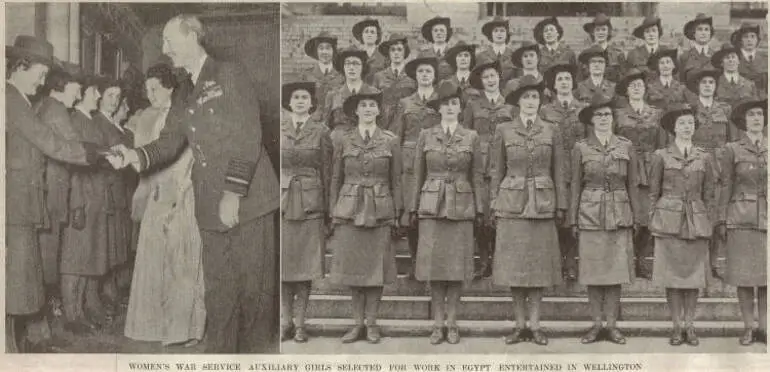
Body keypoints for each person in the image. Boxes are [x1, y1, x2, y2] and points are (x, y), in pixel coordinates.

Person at [107, 14, 279, 353]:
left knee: (253, 293)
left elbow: (248, 136)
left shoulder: (230, 73)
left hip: (248, 200)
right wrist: (134, 157)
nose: (166, 49)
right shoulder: (184, 89)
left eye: (170, 41)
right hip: (209, 204)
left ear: (192, 36)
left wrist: (233, 192)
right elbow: (170, 140)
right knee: (219, 293)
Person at [6, 36, 102, 352]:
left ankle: (25, 343)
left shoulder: (19, 100)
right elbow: (49, 141)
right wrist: (95, 154)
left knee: (24, 281)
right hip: (16, 205)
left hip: (24, 204)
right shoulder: (10, 99)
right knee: (16, 283)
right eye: (40, 73)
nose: (43, 81)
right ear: (21, 65)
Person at [123, 63, 205, 346]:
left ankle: (186, 330)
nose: (150, 94)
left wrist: (180, 193)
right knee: (153, 261)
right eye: (146, 90)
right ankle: (154, 327)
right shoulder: (147, 117)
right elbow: (145, 161)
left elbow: (189, 159)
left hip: (182, 195)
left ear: (170, 87)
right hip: (157, 195)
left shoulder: (185, 115)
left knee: (180, 264)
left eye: (155, 88)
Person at [491, 75, 566, 346]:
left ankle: (535, 325)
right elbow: (496, 169)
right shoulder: (504, 130)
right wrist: (493, 203)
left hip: (543, 205)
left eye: (535, 97)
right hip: (511, 205)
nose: (531, 102)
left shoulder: (551, 130)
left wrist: (561, 204)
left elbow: (559, 169)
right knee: (515, 269)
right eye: (526, 98)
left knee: (538, 269)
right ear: (518, 102)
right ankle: (519, 324)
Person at [410, 82, 484, 345]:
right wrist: (412, 206)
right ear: (438, 108)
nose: (450, 108)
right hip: (432, 206)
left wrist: (480, 208)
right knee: (435, 268)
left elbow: (476, 174)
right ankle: (437, 324)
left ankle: (452, 322)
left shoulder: (471, 137)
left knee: (456, 269)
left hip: (462, 207)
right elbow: (418, 173)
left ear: (460, 108)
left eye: (454, 103)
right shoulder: (426, 135)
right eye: (445, 104)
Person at [328, 92, 402, 344]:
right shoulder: (343, 139)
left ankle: (372, 324)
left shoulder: (391, 140)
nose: (369, 109)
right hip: (349, 210)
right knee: (353, 270)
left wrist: (397, 214)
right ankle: (356, 323)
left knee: (375, 271)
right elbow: (335, 178)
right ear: (356, 111)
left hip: (380, 210)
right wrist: (333, 211)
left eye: (373, 105)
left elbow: (396, 180)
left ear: (379, 111)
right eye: (363, 105)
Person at [570, 94, 640, 345]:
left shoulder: (625, 145)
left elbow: (632, 183)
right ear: (591, 120)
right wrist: (573, 219)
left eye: (607, 115)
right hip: (590, 213)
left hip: (619, 213)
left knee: (615, 272)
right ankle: (596, 324)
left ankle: (612, 326)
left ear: (613, 119)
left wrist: (635, 216)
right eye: (598, 115)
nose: (603, 119)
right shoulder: (581, 147)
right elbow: (575, 185)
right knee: (593, 272)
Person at [648, 103, 717, 346]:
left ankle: (691, 325)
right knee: (673, 278)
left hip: (696, 221)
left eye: (690, 123)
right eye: (682, 124)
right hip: (669, 222)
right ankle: (676, 326)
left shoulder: (704, 157)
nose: (687, 127)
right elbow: (653, 192)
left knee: (693, 277)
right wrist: (653, 219)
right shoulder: (660, 156)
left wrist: (708, 220)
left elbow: (709, 193)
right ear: (673, 129)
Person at [279, 82, 332, 343]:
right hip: (284, 203)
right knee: (285, 267)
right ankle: (284, 321)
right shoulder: (279, 129)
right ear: (289, 102)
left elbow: (327, 171)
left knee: (304, 268)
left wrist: (329, 211)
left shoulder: (321, 131)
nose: (300, 101)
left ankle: (301, 324)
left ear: (311, 103)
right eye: (295, 97)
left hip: (311, 204)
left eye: (305, 97)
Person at [33, 67, 83, 335]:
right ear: (61, 87)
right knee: (47, 264)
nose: (80, 95)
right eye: (76, 89)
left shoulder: (46, 106)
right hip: (53, 197)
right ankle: (43, 330)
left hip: (50, 195)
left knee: (45, 262)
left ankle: (44, 328)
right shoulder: (57, 110)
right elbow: (76, 147)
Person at [715, 98, 767, 346]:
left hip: (767, 218)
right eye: (752, 115)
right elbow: (726, 184)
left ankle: (765, 328)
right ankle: (748, 328)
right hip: (741, 217)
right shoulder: (732, 149)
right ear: (743, 122)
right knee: (744, 277)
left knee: (767, 278)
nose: (757, 118)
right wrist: (723, 218)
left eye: (760, 114)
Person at [62, 75, 110, 334]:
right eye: (94, 91)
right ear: (81, 95)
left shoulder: (90, 121)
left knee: (86, 258)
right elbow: (73, 168)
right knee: (74, 259)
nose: (98, 96)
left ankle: (79, 311)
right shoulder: (75, 121)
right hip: (82, 199)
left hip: (96, 199)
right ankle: (71, 316)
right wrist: (77, 203)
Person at [463, 55, 514, 279]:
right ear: (480, 81)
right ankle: (483, 261)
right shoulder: (473, 105)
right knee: (482, 215)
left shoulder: (510, 106)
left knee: (501, 214)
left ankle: (500, 261)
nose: (490, 80)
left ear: (499, 78)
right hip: (480, 166)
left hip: (505, 165)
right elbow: (465, 135)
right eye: (486, 77)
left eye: (493, 75)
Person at [613, 69, 667, 279]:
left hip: (649, 168)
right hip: (626, 167)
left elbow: (661, 144)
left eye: (640, 86)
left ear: (645, 90)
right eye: (632, 86)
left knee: (646, 215)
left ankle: (642, 259)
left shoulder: (656, 114)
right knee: (628, 212)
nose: (636, 88)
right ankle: (626, 259)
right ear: (626, 91)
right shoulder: (618, 114)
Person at [390, 57, 441, 278]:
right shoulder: (405, 103)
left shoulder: (442, 101)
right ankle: (414, 262)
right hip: (410, 164)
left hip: (435, 160)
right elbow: (396, 136)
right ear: (415, 76)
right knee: (413, 214)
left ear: (434, 75)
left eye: (428, 71)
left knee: (433, 211)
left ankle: (431, 263)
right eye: (421, 72)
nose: (425, 75)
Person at [539, 64, 586, 280]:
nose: (565, 82)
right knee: (557, 215)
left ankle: (571, 263)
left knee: (575, 216)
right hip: (554, 169)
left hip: (579, 169)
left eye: (568, 78)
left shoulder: (583, 109)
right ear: (554, 85)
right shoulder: (546, 111)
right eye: (560, 79)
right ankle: (555, 263)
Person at [94, 78, 131, 319]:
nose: (114, 101)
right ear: (99, 96)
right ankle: (104, 294)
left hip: (119, 190)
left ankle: (110, 293)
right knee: (104, 248)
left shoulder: (111, 124)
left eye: (117, 97)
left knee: (115, 246)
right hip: (105, 191)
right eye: (110, 95)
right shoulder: (97, 122)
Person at [324, 47, 379, 136]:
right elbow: (326, 126)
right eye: (347, 64)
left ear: (363, 67)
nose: (351, 67)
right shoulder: (333, 95)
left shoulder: (374, 93)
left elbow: (380, 124)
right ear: (343, 67)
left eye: (356, 64)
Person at [373, 33, 416, 129]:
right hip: (384, 124)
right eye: (392, 50)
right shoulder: (378, 76)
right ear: (388, 53)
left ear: (405, 52)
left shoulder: (413, 76)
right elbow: (373, 103)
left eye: (399, 49)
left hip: (407, 123)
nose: (396, 53)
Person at [300, 31, 344, 121]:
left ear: (333, 51)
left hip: (335, 123)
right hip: (312, 123)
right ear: (316, 51)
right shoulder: (307, 75)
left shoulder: (342, 75)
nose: (324, 52)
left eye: (328, 48)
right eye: (321, 48)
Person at [712, 43, 759, 108]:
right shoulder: (714, 84)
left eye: (733, 57)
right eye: (727, 58)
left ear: (738, 61)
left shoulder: (750, 84)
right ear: (721, 63)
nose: (731, 60)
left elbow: (755, 107)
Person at [582, 13, 624, 83]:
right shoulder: (585, 54)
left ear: (608, 32)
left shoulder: (618, 54)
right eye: (597, 30)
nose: (600, 32)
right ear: (593, 32)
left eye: (603, 29)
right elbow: (580, 79)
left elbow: (623, 79)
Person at [679, 13, 717, 83]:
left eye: (706, 29)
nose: (703, 33)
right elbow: (681, 83)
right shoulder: (684, 57)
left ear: (710, 33)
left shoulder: (716, 57)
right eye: (700, 29)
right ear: (694, 33)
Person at [477, 16, 515, 85]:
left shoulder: (514, 56)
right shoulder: (481, 56)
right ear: (491, 34)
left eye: (502, 31)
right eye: (496, 31)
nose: (499, 33)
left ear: (507, 34)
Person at [731, 23, 767, 96]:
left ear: (757, 40)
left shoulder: (765, 60)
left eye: (752, 37)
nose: (749, 40)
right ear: (740, 40)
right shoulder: (732, 59)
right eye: (745, 37)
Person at [418, 16, 454, 82]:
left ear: (447, 32)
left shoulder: (453, 54)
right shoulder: (423, 55)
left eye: (442, 30)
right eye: (435, 30)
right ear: (431, 33)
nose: (438, 33)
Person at [352, 18, 387, 84]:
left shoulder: (384, 56)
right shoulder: (355, 55)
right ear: (361, 35)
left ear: (377, 36)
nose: (369, 34)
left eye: (372, 32)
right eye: (366, 31)